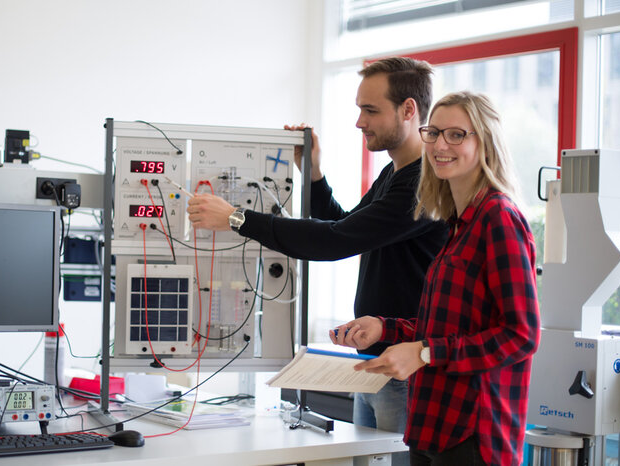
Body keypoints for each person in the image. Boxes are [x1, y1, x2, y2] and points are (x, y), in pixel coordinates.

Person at [187, 57, 448, 449]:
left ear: (409, 110)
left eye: (370, 110)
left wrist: (239, 218)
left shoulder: (423, 184)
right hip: (377, 367)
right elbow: (345, 226)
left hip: (404, 373)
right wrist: (313, 175)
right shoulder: (395, 174)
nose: (360, 122)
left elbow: (336, 240)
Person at [331, 91, 540, 466]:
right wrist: (385, 329)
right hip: (433, 426)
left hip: (474, 433)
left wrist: (426, 354)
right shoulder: (457, 223)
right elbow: (445, 326)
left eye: (457, 135)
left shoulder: (499, 218)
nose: (440, 145)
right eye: (434, 133)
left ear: (485, 142)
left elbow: (520, 336)